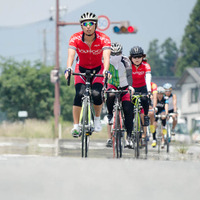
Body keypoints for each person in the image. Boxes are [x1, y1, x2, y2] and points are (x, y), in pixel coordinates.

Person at [64, 12, 111, 137]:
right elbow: (71, 56)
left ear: (96, 25)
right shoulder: (75, 38)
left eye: (91, 24)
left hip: (98, 69)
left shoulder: (104, 38)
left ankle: (96, 119)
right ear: (81, 26)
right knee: (79, 94)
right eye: (85, 24)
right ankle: (75, 126)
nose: (88, 27)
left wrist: (106, 70)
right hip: (81, 69)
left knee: (96, 94)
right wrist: (68, 68)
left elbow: (106, 58)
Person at [105, 42, 134, 148]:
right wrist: (104, 86)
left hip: (124, 86)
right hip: (112, 84)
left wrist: (130, 86)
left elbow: (130, 74)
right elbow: (103, 74)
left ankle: (129, 137)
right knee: (111, 95)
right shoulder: (106, 59)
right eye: (113, 54)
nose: (116, 56)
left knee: (128, 110)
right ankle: (109, 114)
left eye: (118, 53)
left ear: (122, 53)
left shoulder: (126, 60)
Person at [128, 46, 151, 137]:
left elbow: (148, 78)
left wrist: (149, 91)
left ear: (143, 57)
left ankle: (145, 116)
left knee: (145, 99)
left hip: (142, 87)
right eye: (134, 57)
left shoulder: (146, 65)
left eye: (139, 57)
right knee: (128, 105)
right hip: (132, 87)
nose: (137, 59)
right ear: (131, 58)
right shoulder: (129, 65)